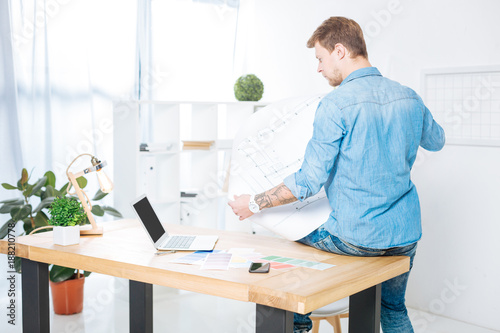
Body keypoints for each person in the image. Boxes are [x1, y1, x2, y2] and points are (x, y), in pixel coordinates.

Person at [228, 16, 445, 333]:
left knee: (286, 268)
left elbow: (308, 181)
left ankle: (298, 322)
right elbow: (436, 141)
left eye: (320, 58)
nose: (318, 68)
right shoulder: (409, 96)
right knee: (393, 310)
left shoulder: (336, 104)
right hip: (404, 235)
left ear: (340, 51)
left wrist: (255, 203)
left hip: (356, 237)